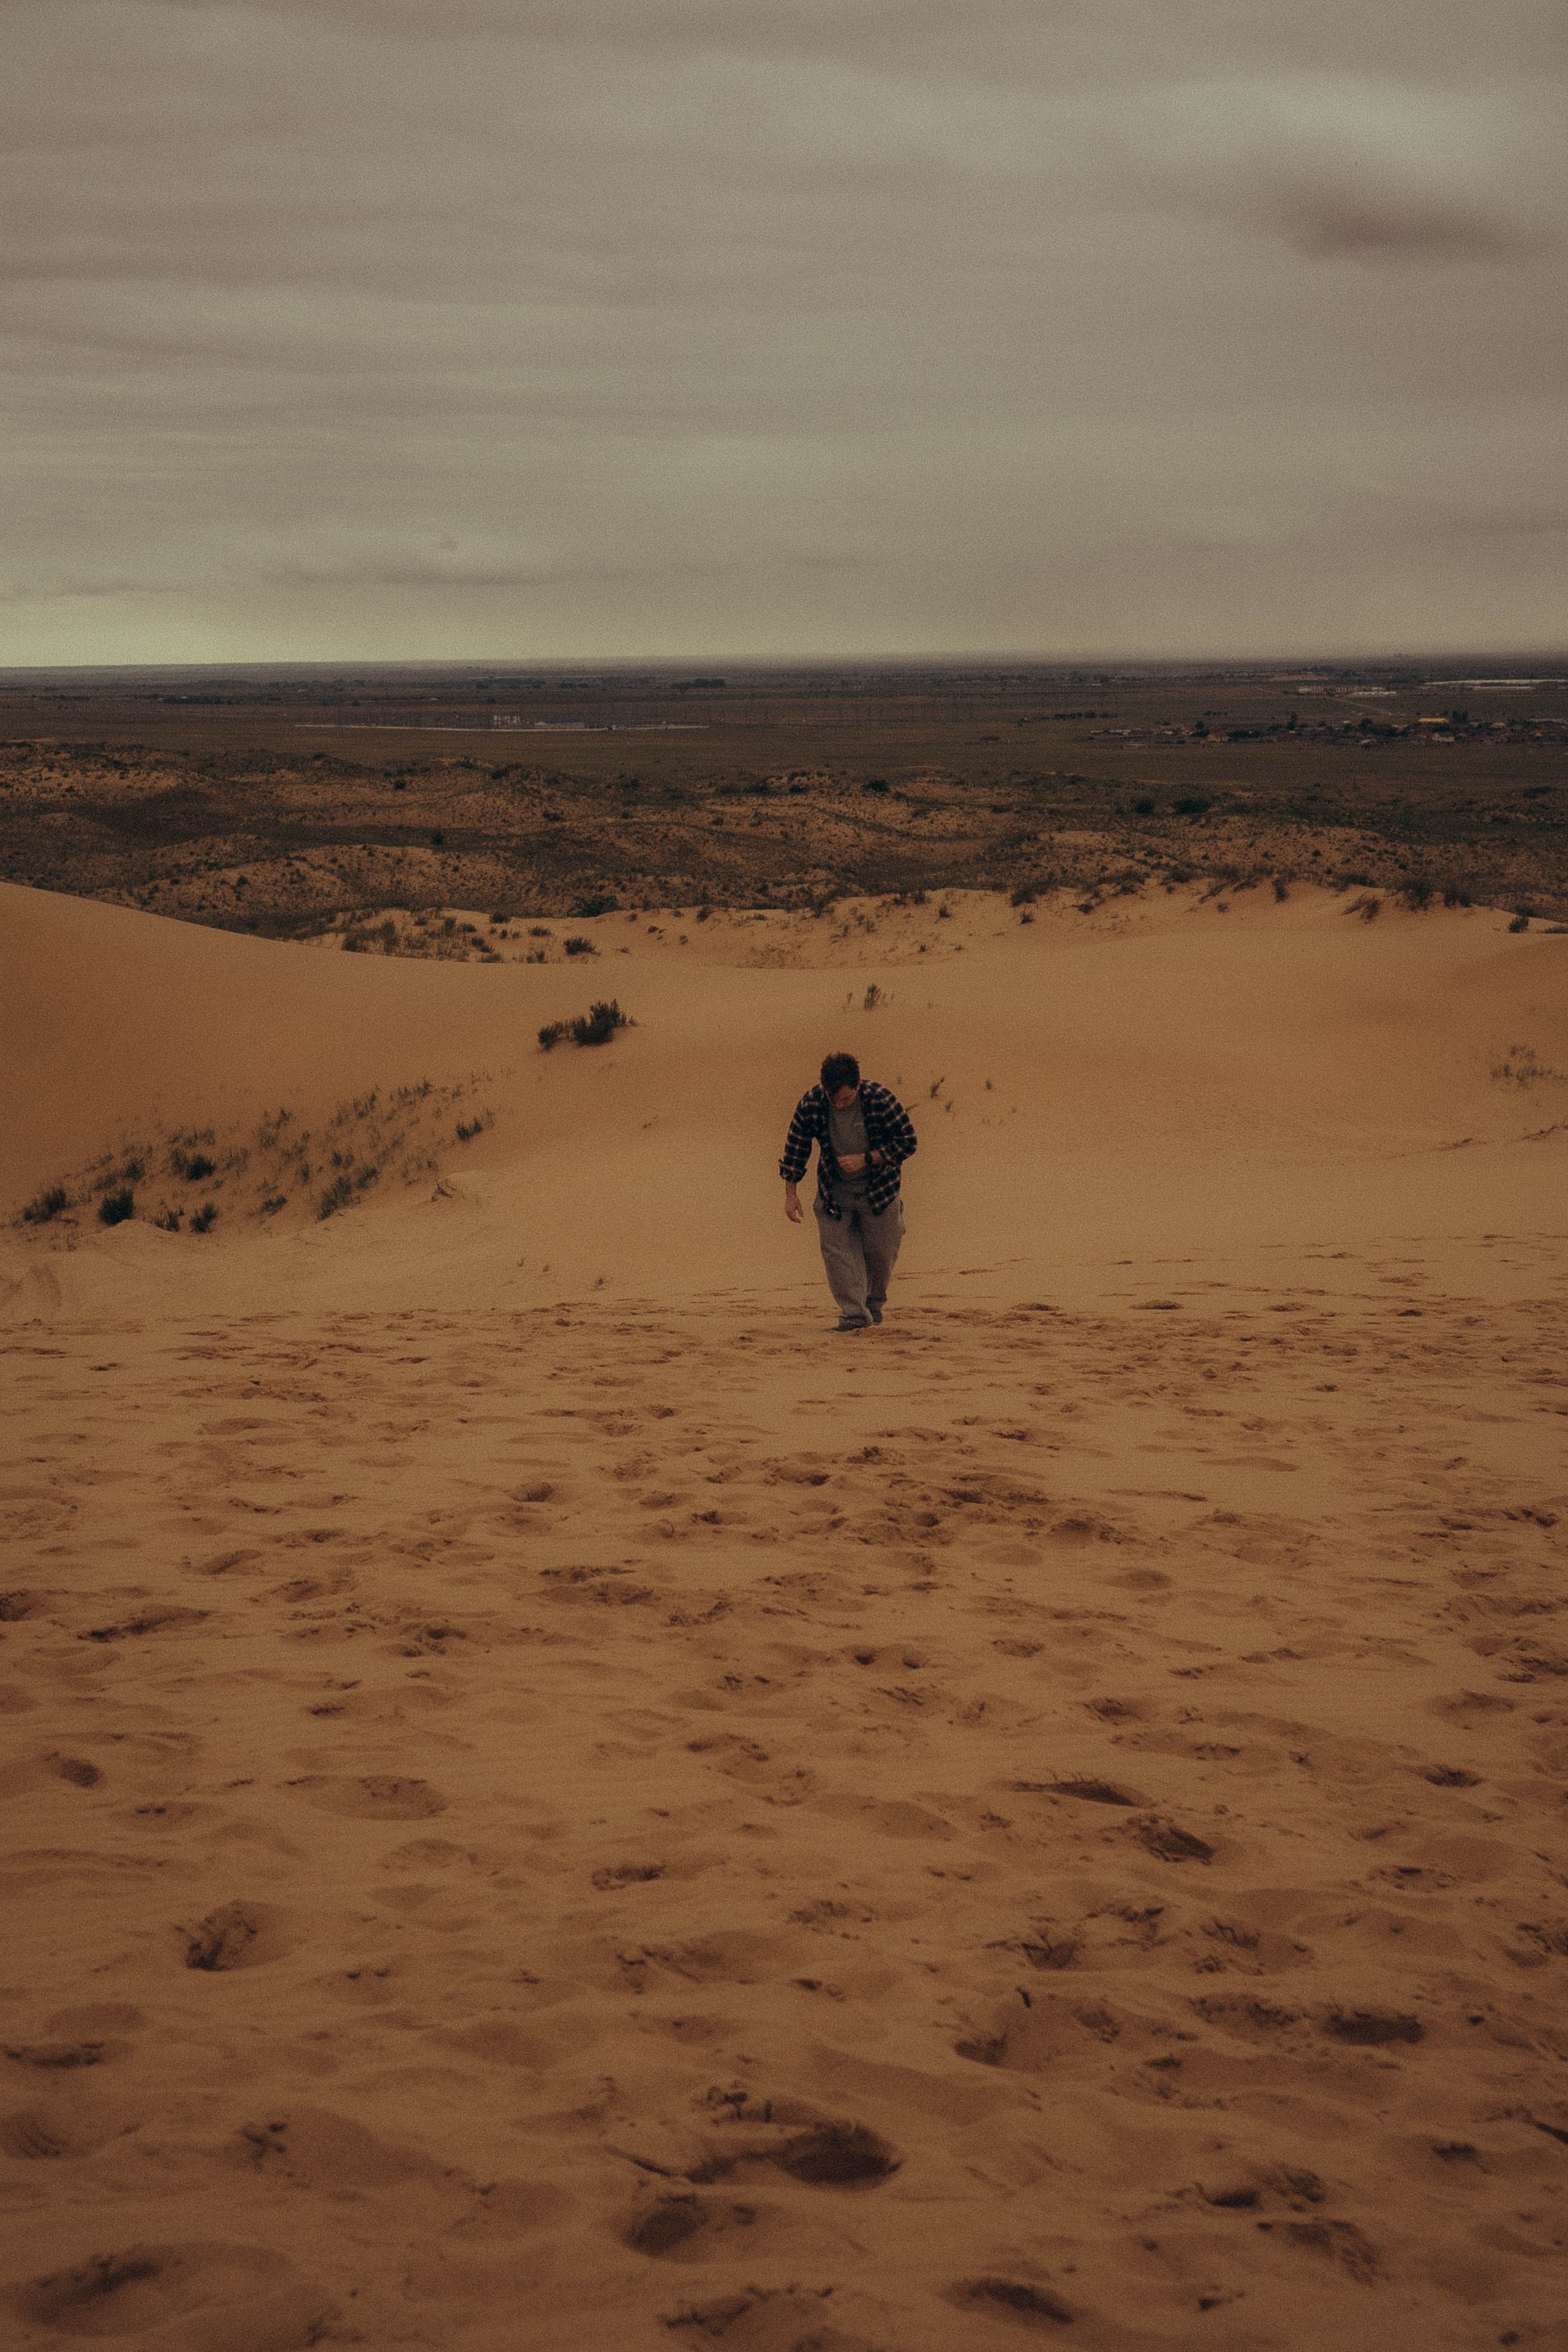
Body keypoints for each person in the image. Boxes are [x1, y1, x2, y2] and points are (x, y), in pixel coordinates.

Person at [779, 1052, 918, 1332]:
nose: (839, 1105)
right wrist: (791, 1194)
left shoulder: (880, 1099)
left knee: (880, 1254)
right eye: (833, 1099)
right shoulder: (813, 1103)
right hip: (834, 1194)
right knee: (837, 1255)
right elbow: (796, 1148)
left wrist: (867, 1159)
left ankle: (873, 1306)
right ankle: (854, 1316)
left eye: (845, 1099)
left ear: (857, 1086)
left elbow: (908, 1142)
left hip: (880, 1192)